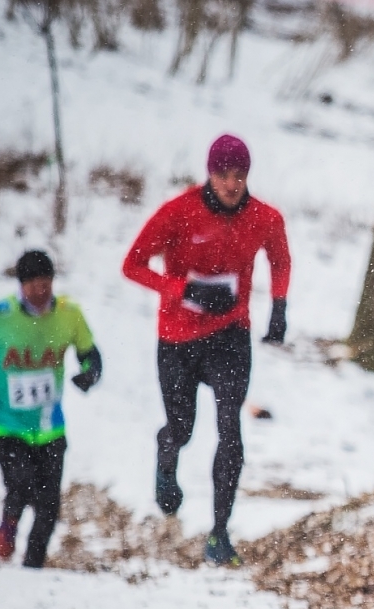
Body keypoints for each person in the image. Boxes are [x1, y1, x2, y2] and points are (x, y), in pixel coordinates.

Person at [122, 134, 291, 567]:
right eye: (223, 175)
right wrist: (183, 288)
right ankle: (167, 452)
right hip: (178, 340)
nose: (232, 184)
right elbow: (133, 264)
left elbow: (280, 259)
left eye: (239, 176)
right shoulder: (178, 213)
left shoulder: (264, 218)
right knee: (183, 429)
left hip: (230, 336)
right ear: (209, 173)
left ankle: (220, 533)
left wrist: (279, 306)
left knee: (230, 431)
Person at [0, 249, 103, 569]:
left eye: (46, 283)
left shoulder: (69, 314)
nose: (41, 291)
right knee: (21, 483)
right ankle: (9, 525)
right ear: (20, 286)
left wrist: (89, 374)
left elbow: (91, 354)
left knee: (50, 505)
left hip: (49, 423)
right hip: (5, 421)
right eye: (33, 285)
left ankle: (33, 566)